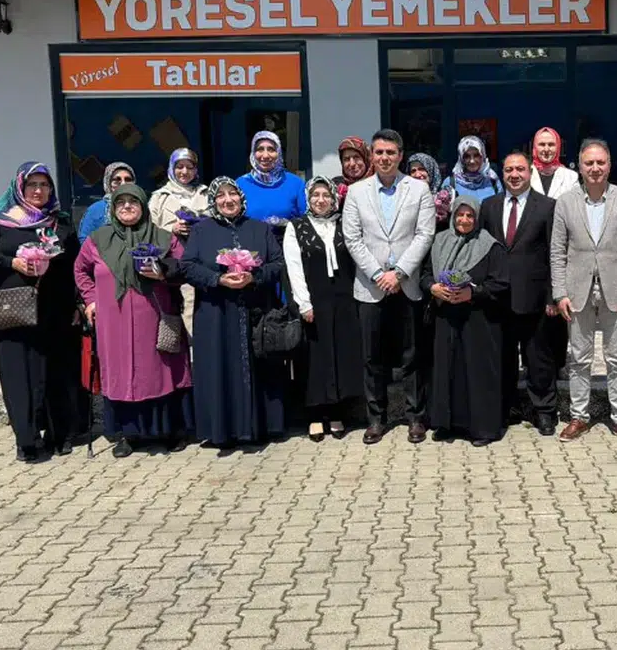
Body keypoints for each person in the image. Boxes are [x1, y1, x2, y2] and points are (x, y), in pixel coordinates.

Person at [0, 162, 81, 462]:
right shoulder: (0, 219)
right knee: (19, 373)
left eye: (44, 185)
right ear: (20, 187)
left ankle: (59, 435)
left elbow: (75, 265)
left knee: (55, 371)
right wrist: (11, 263)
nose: (38, 191)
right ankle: (27, 440)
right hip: (14, 308)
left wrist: (78, 303)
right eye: (32, 184)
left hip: (55, 308)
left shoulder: (60, 221)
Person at [75, 183, 191, 457]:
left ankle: (165, 432)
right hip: (113, 323)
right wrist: (90, 300)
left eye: (133, 202)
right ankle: (128, 435)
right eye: (121, 202)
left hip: (154, 318)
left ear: (143, 206)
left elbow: (185, 267)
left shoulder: (163, 237)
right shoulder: (98, 239)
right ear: (113, 208)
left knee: (159, 373)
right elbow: (80, 270)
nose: (127, 206)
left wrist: (163, 272)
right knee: (120, 374)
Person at [341, 128, 436, 444]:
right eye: (379, 152)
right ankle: (376, 419)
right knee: (373, 358)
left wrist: (400, 272)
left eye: (390, 152)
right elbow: (352, 238)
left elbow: (424, 234)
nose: (384, 158)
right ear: (372, 155)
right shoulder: (357, 192)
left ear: (400, 155)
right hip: (371, 287)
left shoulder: (419, 189)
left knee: (412, 355)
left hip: (407, 285)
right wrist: (377, 274)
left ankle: (415, 418)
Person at [550, 139, 617, 444]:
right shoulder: (566, 202)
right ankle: (579, 416)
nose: (595, 168)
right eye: (589, 163)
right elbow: (557, 251)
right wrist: (560, 293)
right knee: (579, 359)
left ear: (609, 165)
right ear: (579, 167)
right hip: (577, 292)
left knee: (616, 359)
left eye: (600, 163)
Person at [182, 177, 287, 448]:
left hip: (255, 308)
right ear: (213, 201)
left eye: (233, 194)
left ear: (242, 197)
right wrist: (217, 279)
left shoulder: (259, 229)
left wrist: (255, 277)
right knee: (220, 365)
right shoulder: (201, 231)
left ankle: (260, 427)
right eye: (221, 195)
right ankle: (223, 431)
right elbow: (188, 266)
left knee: (258, 365)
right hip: (216, 311)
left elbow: (278, 263)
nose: (228, 200)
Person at [480, 150, 559, 435]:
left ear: (530, 172)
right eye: (509, 170)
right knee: (501, 358)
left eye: (520, 169)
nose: (514, 175)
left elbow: (555, 254)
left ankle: (544, 411)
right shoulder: (489, 206)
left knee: (538, 359)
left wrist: (552, 296)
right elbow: (481, 251)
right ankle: (505, 408)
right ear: (502, 174)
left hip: (535, 297)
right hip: (497, 298)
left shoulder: (547, 207)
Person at [421, 196, 509, 446]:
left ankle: (482, 429)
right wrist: (433, 288)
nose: (464, 220)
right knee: (447, 370)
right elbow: (425, 274)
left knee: (476, 372)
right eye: (460, 215)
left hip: (478, 321)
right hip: (445, 319)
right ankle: (446, 424)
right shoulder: (439, 241)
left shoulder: (490, 246)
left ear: (477, 218)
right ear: (452, 216)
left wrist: (473, 293)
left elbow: (501, 283)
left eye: (470, 215)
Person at [283, 177, 364, 442]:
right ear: (308, 198)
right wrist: (303, 303)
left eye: (326, 195)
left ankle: (337, 411)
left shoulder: (343, 223)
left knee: (340, 355)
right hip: (314, 299)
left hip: (343, 299)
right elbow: (294, 267)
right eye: (315, 195)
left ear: (334, 198)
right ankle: (315, 415)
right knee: (314, 359)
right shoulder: (296, 227)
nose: (321, 200)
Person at [149, 147, 209, 335]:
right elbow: (149, 231)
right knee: (180, 316)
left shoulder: (206, 194)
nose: (184, 172)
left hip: (203, 262)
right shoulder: (160, 197)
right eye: (179, 166)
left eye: (190, 167)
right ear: (171, 168)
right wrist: (171, 229)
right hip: (174, 267)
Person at [236, 130, 307, 227]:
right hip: (249, 236)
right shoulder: (241, 184)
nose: (265, 155)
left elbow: (306, 220)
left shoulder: (295, 183)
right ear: (253, 153)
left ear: (279, 153)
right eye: (260, 149)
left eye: (271, 150)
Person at [77, 162, 135, 242]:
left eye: (128, 180)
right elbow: (85, 239)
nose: (123, 184)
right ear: (108, 184)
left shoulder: (140, 206)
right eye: (117, 180)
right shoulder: (96, 209)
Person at [443, 136, 503, 203]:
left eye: (476, 155)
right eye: (467, 156)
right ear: (461, 159)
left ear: (483, 156)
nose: (472, 161)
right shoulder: (451, 183)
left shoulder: (492, 180)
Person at [530, 127, 579, 199]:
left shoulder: (571, 177)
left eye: (551, 144)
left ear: (558, 147)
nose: (546, 149)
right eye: (542, 144)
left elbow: (576, 203)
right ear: (535, 147)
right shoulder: (525, 175)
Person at [408, 152, 452, 232]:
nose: (417, 174)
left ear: (431, 169)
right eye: (413, 171)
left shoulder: (446, 196)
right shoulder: (405, 197)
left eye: (422, 169)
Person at [334, 136, 373, 211]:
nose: (352, 164)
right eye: (346, 159)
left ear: (366, 159)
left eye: (356, 157)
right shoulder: (336, 186)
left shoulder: (379, 185)